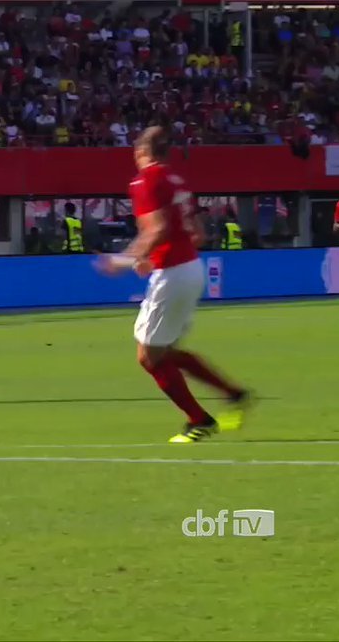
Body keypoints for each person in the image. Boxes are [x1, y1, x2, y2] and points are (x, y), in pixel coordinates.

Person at [97, 127, 251, 443]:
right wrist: (154, 258)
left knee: (149, 357)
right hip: (190, 268)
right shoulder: (176, 181)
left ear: (142, 152)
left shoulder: (146, 180)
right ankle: (232, 394)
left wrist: (125, 259)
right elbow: (197, 234)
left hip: (174, 274)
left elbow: (157, 229)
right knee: (163, 351)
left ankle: (199, 420)